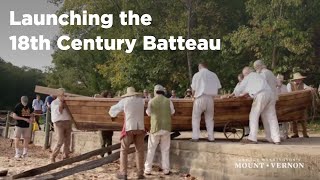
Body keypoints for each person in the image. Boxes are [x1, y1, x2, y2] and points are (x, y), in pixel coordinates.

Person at [234, 67, 280, 144]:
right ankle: (276, 139)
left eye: (244, 74)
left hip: (261, 95)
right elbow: (252, 89)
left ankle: (253, 138)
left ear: (246, 73)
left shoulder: (249, 76)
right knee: (272, 117)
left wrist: (235, 94)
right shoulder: (259, 76)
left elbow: (239, 89)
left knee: (253, 115)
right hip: (270, 94)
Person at [109, 87, 145, 180]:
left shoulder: (124, 101)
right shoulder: (142, 101)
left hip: (129, 128)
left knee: (124, 151)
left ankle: (123, 173)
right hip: (140, 128)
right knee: (140, 151)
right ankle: (140, 173)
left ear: (128, 94)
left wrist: (113, 116)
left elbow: (112, 110)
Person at [144, 85, 175, 176]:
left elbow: (148, 113)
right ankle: (166, 169)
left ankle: (148, 169)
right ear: (163, 92)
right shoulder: (168, 101)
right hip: (166, 128)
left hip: (155, 128)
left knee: (151, 149)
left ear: (155, 91)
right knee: (165, 149)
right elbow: (172, 112)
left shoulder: (151, 101)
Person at [191, 62, 221, 142]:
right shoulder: (213, 75)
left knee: (196, 118)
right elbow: (218, 88)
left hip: (199, 97)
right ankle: (211, 137)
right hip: (210, 98)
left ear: (199, 67)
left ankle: (195, 137)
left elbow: (193, 89)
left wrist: (193, 96)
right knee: (210, 119)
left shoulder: (197, 75)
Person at [50, 88, 72, 163]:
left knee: (67, 141)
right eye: (63, 94)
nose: (64, 95)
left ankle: (65, 156)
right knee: (60, 140)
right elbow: (60, 110)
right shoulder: (54, 102)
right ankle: (53, 156)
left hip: (68, 121)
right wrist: (62, 102)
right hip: (59, 123)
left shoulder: (68, 102)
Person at [287, 72, 311, 138]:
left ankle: (305, 133)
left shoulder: (302, 84)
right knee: (294, 119)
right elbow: (288, 94)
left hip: (301, 104)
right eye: (298, 79)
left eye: (300, 79)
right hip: (293, 104)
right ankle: (295, 133)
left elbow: (307, 88)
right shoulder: (289, 85)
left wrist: (310, 88)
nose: (300, 80)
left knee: (303, 119)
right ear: (295, 80)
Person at [98, 90, 114, 157]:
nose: (110, 97)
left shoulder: (112, 104)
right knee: (103, 142)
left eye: (110, 95)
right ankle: (102, 155)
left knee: (109, 141)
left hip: (110, 125)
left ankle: (109, 155)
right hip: (103, 125)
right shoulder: (101, 104)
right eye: (108, 95)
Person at [276, 74, 289, 139]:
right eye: (278, 80)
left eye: (280, 81)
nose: (279, 82)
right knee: (278, 121)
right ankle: (280, 134)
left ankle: (286, 134)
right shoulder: (274, 87)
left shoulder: (285, 87)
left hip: (284, 105)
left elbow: (288, 96)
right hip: (277, 106)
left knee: (285, 121)